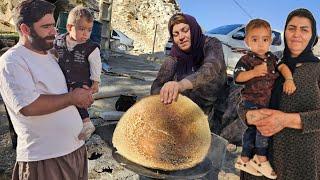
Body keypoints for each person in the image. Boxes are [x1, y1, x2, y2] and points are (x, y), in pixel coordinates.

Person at [0, 0, 93, 179]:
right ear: (25, 29)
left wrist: (81, 93)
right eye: (46, 26)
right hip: (45, 160)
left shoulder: (49, 55)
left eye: (53, 25)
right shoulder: (12, 61)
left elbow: (60, 93)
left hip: (74, 151)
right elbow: (29, 106)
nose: (54, 31)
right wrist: (72, 98)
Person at [238, 8, 320, 180]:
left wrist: (286, 120)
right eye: (292, 28)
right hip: (259, 163)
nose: (297, 34)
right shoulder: (267, 60)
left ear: (313, 36)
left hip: (298, 161)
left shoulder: (318, 69)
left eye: (304, 29)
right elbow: (240, 97)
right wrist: (248, 115)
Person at [234, 19, 296, 179]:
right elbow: (238, 77)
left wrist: (289, 79)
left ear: (270, 40)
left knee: (251, 131)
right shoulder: (246, 60)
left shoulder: (272, 59)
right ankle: (261, 158)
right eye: (255, 39)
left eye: (265, 39)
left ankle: (245, 158)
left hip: (265, 102)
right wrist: (254, 72)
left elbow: (282, 67)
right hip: (252, 102)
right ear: (247, 41)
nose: (260, 43)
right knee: (263, 129)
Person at [150, 13, 227, 132]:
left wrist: (180, 85)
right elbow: (157, 85)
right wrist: (165, 92)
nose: (181, 37)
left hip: (217, 100)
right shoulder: (175, 56)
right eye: (175, 34)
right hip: (189, 105)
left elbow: (211, 68)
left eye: (185, 30)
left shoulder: (212, 44)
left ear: (194, 28)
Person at [53, 5, 102, 140]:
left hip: (80, 80)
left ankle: (86, 122)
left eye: (89, 30)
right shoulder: (58, 41)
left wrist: (96, 82)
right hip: (62, 79)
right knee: (63, 99)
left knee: (79, 97)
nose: (86, 34)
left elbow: (96, 65)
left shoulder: (91, 47)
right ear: (69, 28)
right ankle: (66, 123)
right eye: (81, 29)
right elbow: (52, 54)